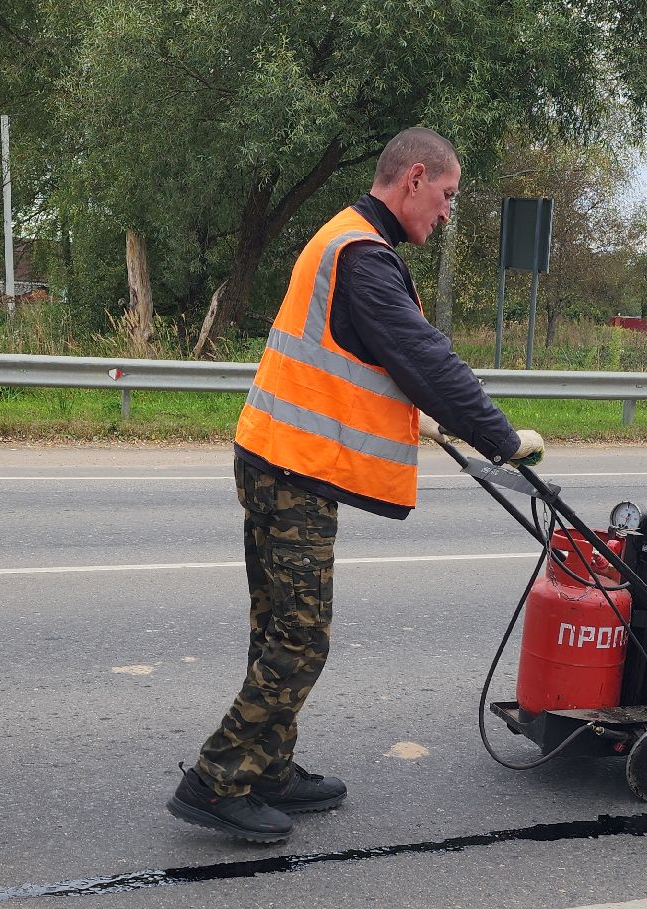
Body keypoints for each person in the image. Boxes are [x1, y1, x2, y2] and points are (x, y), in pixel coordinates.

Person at [167, 127, 545, 843]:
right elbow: (425, 356)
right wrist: (500, 438)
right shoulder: (364, 258)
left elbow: (371, 359)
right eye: (446, 196)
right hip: (291, 470)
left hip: (276, 456)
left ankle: (268, 766)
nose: (446, 212)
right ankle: (218, 779)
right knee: (302, 636)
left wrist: (422, 418)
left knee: (276, 627)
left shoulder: (347, 239)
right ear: (414, 178)